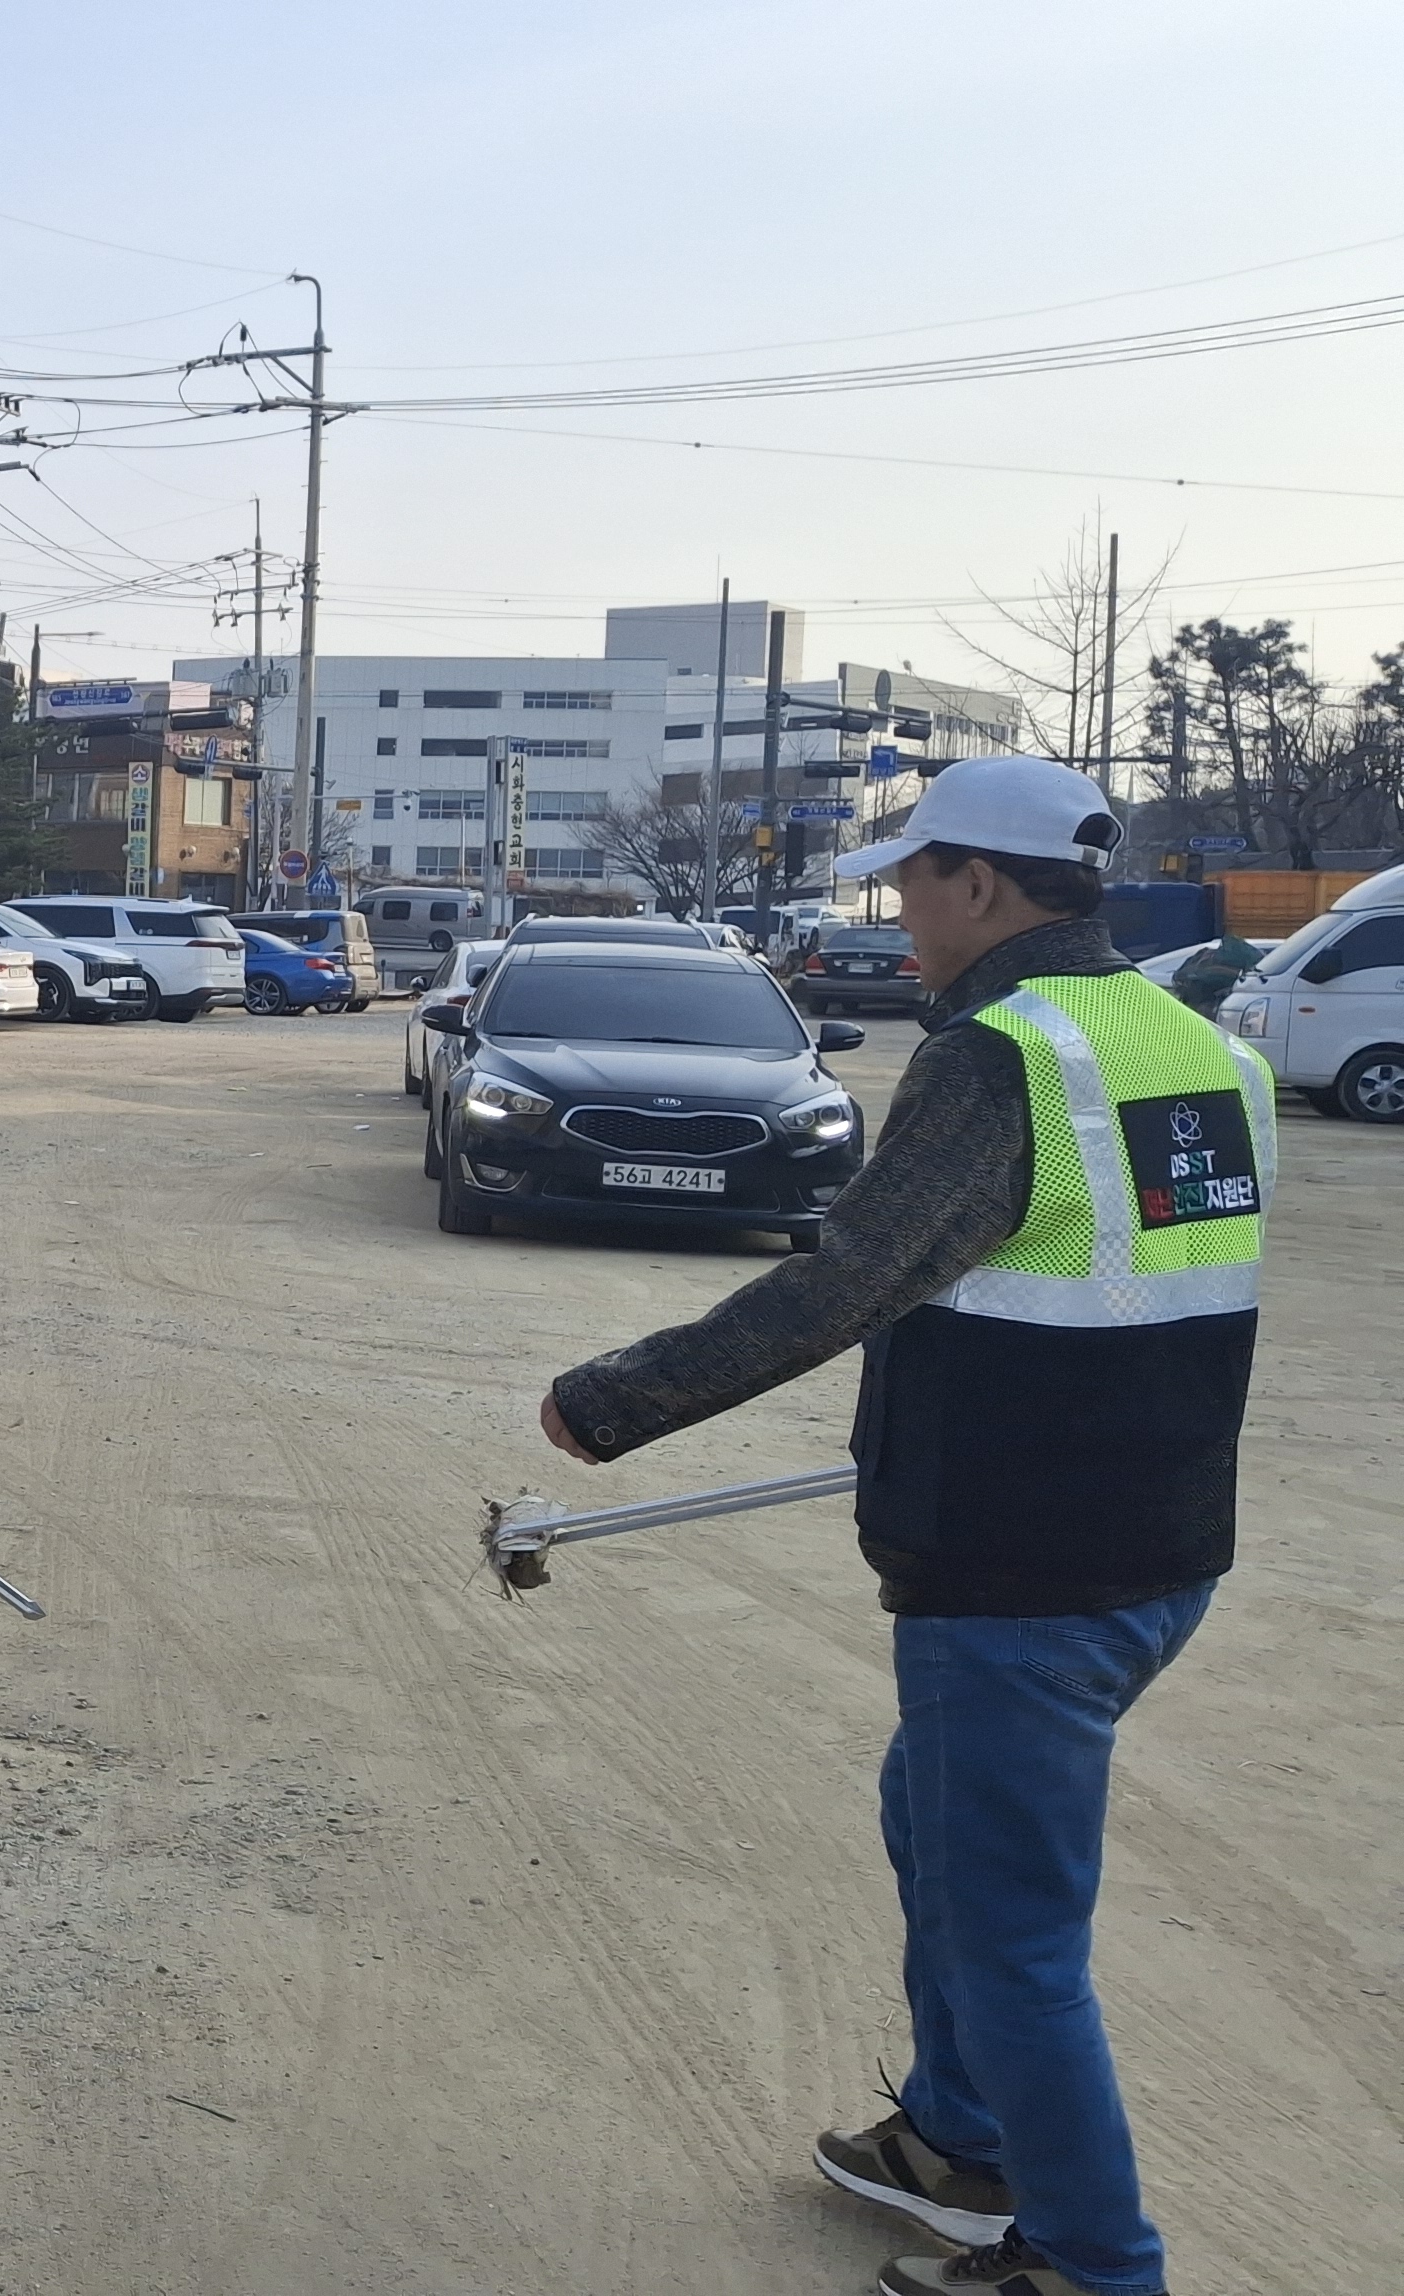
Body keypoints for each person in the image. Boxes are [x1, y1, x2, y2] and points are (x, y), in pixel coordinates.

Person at [535, 757, 1273, 2296]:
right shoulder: (1193, 1040)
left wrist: (612, 1402)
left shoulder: (1000, 1056)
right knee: (930, 1822)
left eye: (911, 885)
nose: (900, 917)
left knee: (1013, 1945)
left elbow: (847, 1279)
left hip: (1022, 1573)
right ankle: (957, 2141)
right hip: (1158, 1546)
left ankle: (1087, 2260)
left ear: (980, 884)